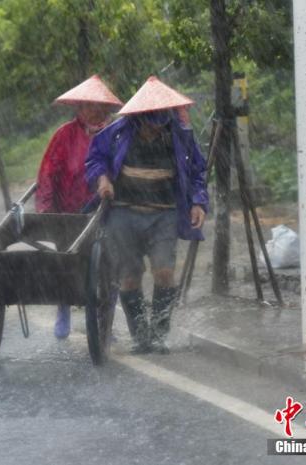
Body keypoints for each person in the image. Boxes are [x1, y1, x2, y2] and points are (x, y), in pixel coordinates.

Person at [85, 76, 209, 353]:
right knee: (129, 277)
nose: (153, 132)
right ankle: (141, 335)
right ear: (138, 119)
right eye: (149, 126)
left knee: (164, 272)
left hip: (164, 214)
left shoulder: (178, 136)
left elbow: (197, 172)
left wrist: (198, 202)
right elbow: (95, 160)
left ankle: (160, 332)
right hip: (123, 214)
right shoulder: (116, 134)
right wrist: (102, 179)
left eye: (159, 125)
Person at [36, 75, 123, 339]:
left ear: (107, 109)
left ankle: (105, 315)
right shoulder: (64, 135)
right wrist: (46, 211)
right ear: (79, 108)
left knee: (111, 263)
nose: (95, 110)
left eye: (100, 106)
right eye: (88, 105)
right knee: (68, 260)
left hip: (108, 210)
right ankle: (63, 308)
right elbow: (47, 174)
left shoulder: (117, 134)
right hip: (69, 212)